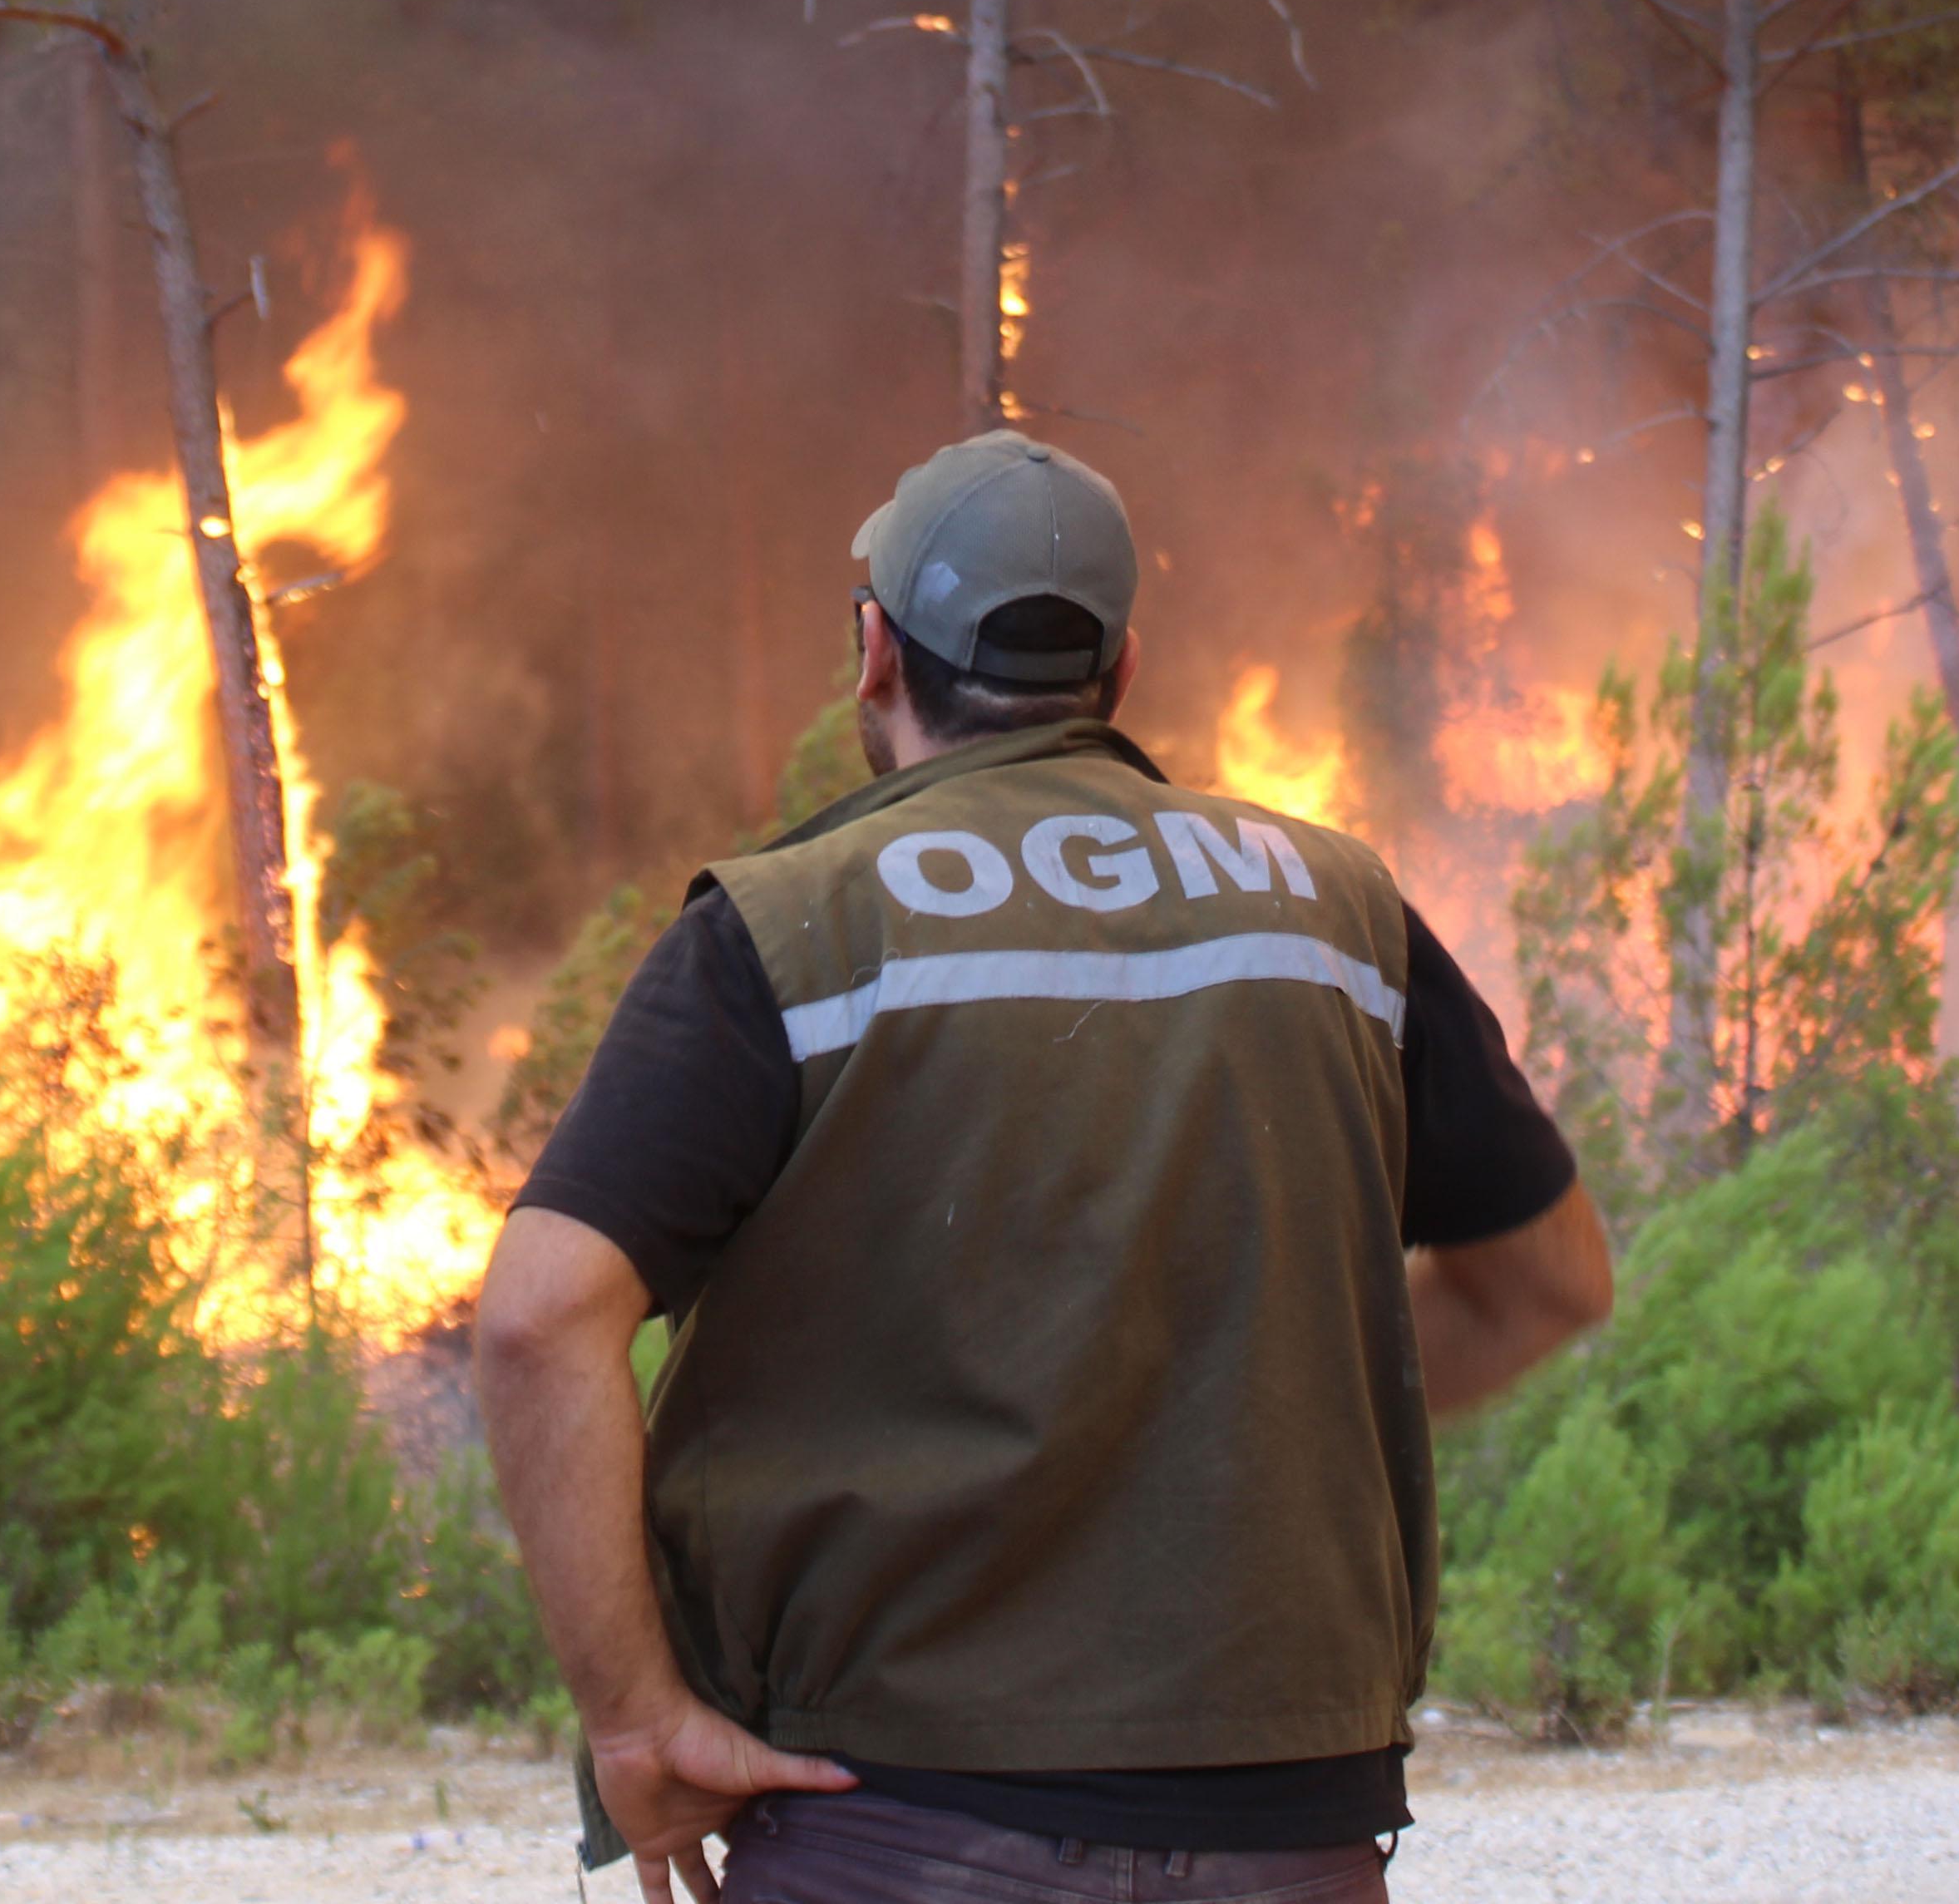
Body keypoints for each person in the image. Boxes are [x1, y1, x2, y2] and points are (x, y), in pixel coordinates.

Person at [476, 430, 1614, 1904]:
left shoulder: (790, 932)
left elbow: (535, 1316)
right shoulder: (1340, 916)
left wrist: (636, 1722)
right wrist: (1233, 1420)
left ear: (875, 655)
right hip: (1289, 1829)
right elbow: (1549, 1282)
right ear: (1121, 673)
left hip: (894, 1819)